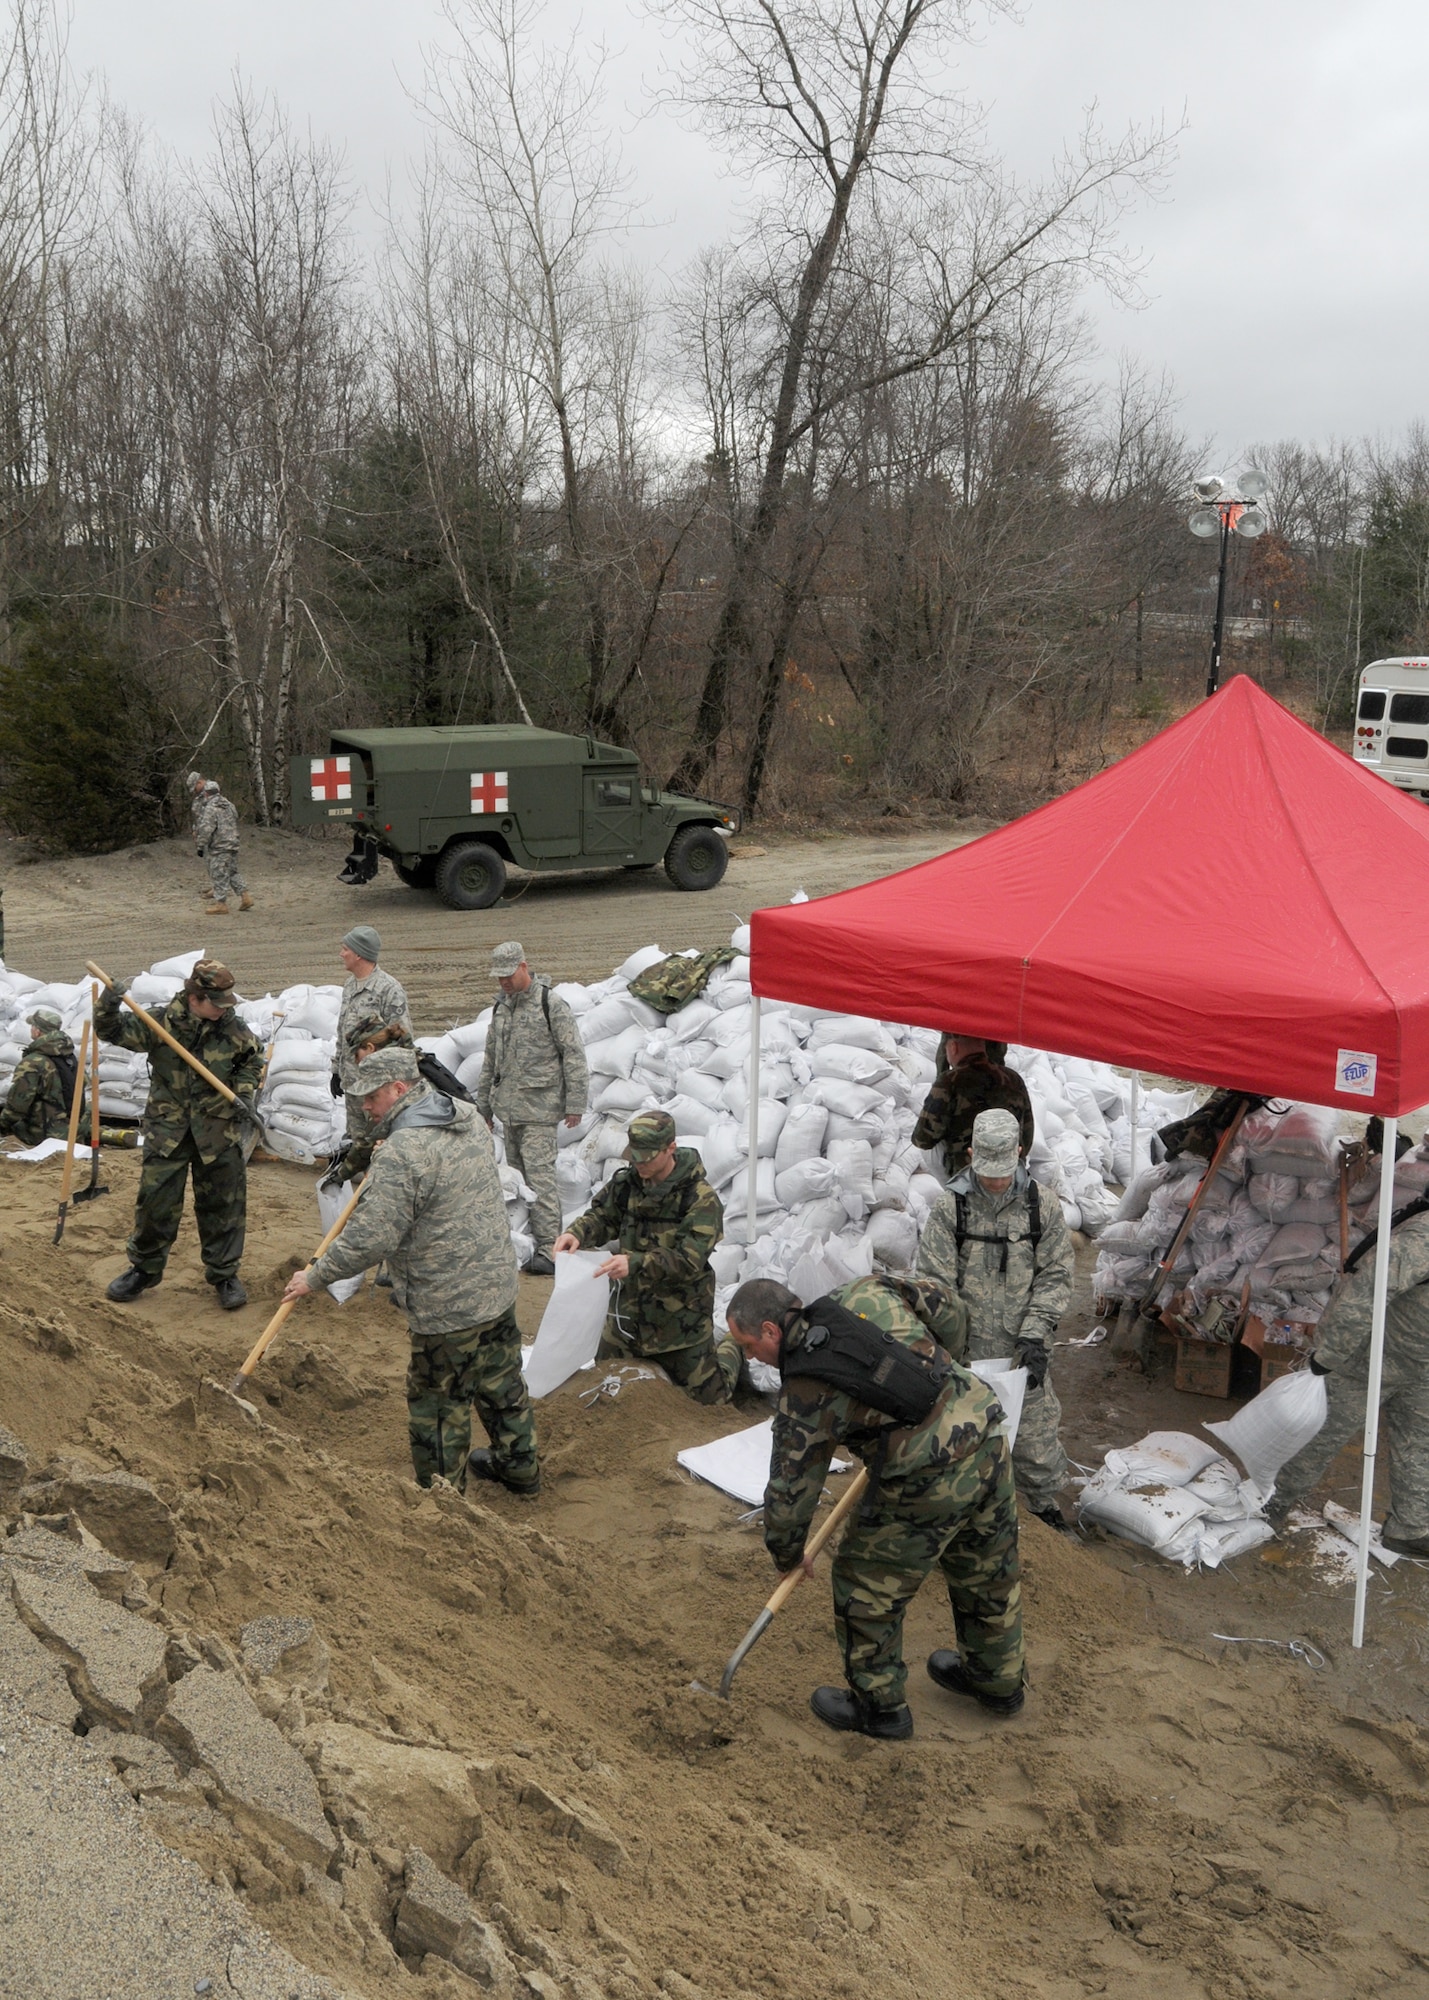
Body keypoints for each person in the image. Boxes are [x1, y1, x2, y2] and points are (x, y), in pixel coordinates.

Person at [726, 1272, 1024, 1741]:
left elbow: (790, 1492)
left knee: (863, 1582)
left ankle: (879, 1707)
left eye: (747, 1345)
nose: (750, 1357)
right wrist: (938, 1370)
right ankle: (998, 1681)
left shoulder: (804, 1391)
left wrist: (788, 1557)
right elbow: (949, 1306)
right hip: (983, 1430)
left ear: (770, 1331)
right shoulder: (865, 1291)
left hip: (926, 1474)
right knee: (987, 1566)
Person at [282, 1045, 537, 1497]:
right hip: (496, 1284)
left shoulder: (404, 1153)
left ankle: (443, 1507)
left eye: (372, 1097)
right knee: (502, 1382)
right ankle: (519, 1470)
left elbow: (372, 1237)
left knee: (439, 1408)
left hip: (448, 1305)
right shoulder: (464, 1115)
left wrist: (317, 1276)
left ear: (400, 1089)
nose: (363, 1106)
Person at [916, 1107, 1073, 1531]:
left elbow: (1056, 1273)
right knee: (960, 1440)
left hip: (1022, 1348)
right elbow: (934, 1282)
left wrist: (1036, 1335)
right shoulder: (952, 1208)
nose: (997, 1181)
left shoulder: (1043, 1206)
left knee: (1034, 1443)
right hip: (966, 1354)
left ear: (1020, 1153)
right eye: (988, 1172)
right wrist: (943, 1347)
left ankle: (1042, 1510)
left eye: (1004, 1171)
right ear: (970, 1155)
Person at [97, 958, 261, 1310]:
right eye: (215, 1004)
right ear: (195, 998)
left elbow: (251, 1060)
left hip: (218, 1131)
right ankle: (144, 1269)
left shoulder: (232, 1027)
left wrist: (244, 1094)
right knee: (156, 1203)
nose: (222, 1010)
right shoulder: (158, 1023)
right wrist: (108, 1003)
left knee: (224, 1205)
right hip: (168, 1128)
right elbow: (110, 1031)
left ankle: (224, 1273)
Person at [1270, 1206, 1429, 1554]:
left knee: (1418, 1445)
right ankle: (1271, 1503)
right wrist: (1330, 1355)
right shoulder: (1423, 1237)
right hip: (1370, 1360)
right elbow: (1367, 1292)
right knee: (1319, 1434)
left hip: (1421, 1366)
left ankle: (1410, 1527)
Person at [554, 1108, 740, 1404]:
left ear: (671, 1149)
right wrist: (577, 1233)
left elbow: (688, 1259)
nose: (639, 1164)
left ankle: (732, 1348)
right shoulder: (628, 1183)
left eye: (648, 1157)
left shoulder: (700, 1199)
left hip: (680, 1325)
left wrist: (635, 1263)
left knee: (712, 1401)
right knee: (600, 1385)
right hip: (628, 1318)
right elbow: (603, 1217)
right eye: (635, 1156)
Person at [477, 941, 589, 1278]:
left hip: (539, 1110)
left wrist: (575, 1103)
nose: (504, 983)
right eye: (499, 978)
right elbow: (490, 1060)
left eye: (508, 976)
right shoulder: (501, 1009)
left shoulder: (549, 1004)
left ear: (524, 967)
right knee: (517, 1181)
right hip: (508, 1110)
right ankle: (522, 1241)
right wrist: (483, 1103)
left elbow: (573, 1054)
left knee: (540, 1179)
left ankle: (549, 1249)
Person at [912, 1031, 1034, 1179]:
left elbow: (922, 1139)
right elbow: (1027, 1138)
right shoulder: (1014, 1079)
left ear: (953, 1047)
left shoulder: (950, 1081)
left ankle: (952, 1192)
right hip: (1008, 1173)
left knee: (931, 1146)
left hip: (967, 1174)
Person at [332, 927, 411, 1147]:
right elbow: (342, 1030)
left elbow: (403, 1042)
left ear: (358, 954)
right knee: (357, 1142)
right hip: (352, 1083)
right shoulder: (350, 986)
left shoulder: (389, 990)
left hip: (377, 1089)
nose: (341, 954)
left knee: (378, 1142)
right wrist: (336, 1070)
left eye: (345, 949)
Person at [0, 1006, 82, 1145]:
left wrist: (2, 1126)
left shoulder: (33, 1062)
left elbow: (17, 1106)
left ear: (37, 1031)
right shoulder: (69, 1058)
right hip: (72, 1129)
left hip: (44, 1134)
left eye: (32, 1025)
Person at [194, 779, 252, 916]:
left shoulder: (210, 808)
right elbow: (235, 818)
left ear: (206, 794)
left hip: (219, 846)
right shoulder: (230, 805)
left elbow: (206, 829)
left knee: (218, 873)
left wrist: (200, 845)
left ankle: (221, 904)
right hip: (233, 843)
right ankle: (246, 897)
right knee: (232, 872)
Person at [185, 771, 213, 900]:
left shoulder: (210, 792)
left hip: (211, 832)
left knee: (213, 861)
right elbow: (198, 815)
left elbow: (208, 815)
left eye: (194, 787)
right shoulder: (201, 795)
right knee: (208, 860)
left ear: (199, 782)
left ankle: (217, 888)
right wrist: (195, 829)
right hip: (203, 831)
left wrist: (202, 831)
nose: (194, 791)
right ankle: (215, 885)